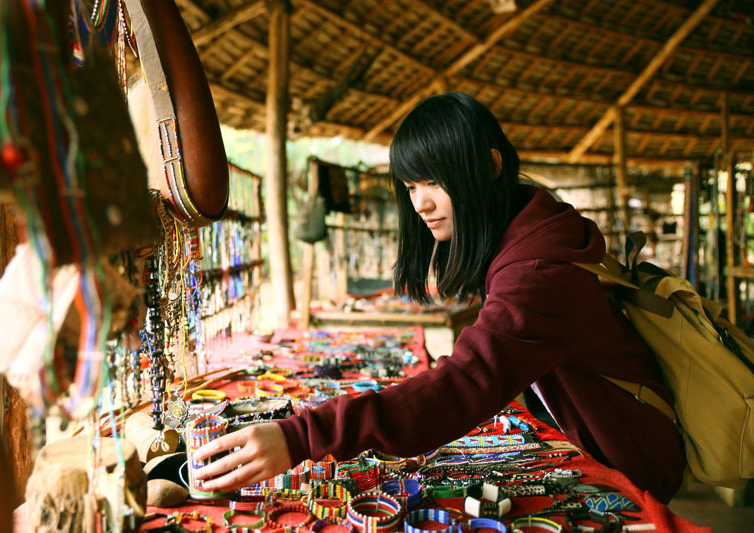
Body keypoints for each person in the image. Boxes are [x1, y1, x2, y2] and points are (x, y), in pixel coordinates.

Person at [193, 92, 685, 503]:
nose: (421, 202)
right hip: (599, 432)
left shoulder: (538, 269)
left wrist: (303, 436)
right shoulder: (528, 233)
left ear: (489, 166)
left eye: (434, 181)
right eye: (411, 185)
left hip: (630, 455)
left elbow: (466, 383)